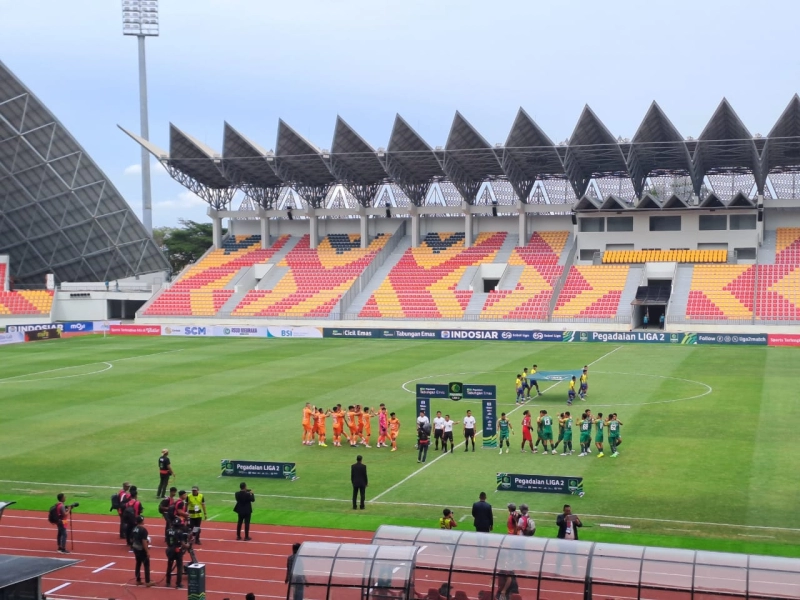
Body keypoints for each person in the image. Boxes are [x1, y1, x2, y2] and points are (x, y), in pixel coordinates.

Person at [131, 515, 154, 586]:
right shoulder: (143, 530)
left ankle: (138, 580)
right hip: (141, 549)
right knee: (146, 565)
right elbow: (144, 541)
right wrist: (147, 551)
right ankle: (147, 581)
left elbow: (131, 539)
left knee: (138, 563)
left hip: (135, 548)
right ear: (142, 521)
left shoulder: (134, 529)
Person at [165, 517, 188, 588]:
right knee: (179, 566)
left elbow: (167, 540)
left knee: (169, 565)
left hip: (169, 549)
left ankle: (168, 582)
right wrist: (188, 545)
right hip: (177, 550)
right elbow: (183, 543)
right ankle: (178, 583)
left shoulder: (168, 531)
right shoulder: (179, 532)